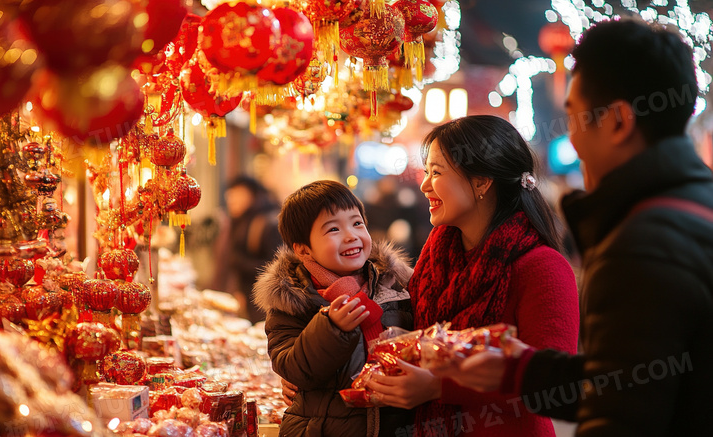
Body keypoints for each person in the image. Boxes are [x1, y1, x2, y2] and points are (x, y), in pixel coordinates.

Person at [430, 18, 713, 437]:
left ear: (617, 121)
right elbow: (630, 376)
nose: (573, 140)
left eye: (575, 116)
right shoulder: (695, 205)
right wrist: (521, 368)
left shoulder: (642, 242)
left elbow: (621, 414)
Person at [365, 115, 581, 437]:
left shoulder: (542, 267)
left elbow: (552, 386)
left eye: (436, 172)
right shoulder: (436, 256)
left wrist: (439, 387)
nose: (424, 185)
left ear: (481, 182)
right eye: (426, 172)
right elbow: (416, 339)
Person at [252, 180, 415, 436]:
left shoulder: (398, 286)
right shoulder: (292, 301)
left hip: (397, 425)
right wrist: (331, 328)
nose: (351, 235)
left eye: (357, 223)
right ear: (303, 249)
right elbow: (292, 367)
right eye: (333, 229)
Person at [210, 176, 282, 323]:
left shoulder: (267, 224)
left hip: (261, 302)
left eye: (237, 195)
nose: (231, 200)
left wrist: (239, 262)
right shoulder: (239, 221)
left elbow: (277, 267)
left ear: (251, 195)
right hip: (242, 295)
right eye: (229, 196)